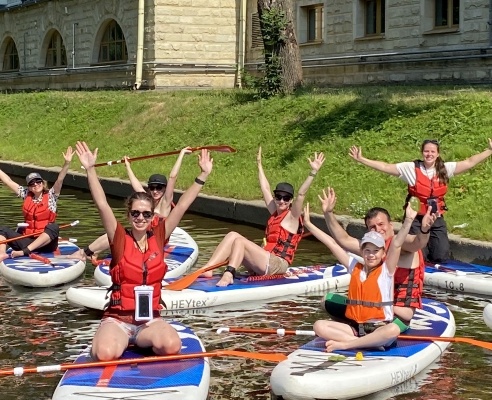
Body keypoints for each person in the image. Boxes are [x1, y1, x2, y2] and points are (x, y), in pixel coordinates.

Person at [77, 140, 213, 362]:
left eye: (146, 214)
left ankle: (141, 341)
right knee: (105, 354)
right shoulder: (119, 238)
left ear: (152, 217)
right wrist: (90, 170)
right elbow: (102, 204)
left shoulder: (159, 237)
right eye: (136, 213)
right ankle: (109, 338)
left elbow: (183, 206)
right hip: (118, 320)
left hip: (149, 321)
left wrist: (202, 176)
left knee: (171, 345)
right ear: (129, 215)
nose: (141, 218)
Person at [348, 134, 492, 264]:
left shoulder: (445, 169)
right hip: (416, 219)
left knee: (441, 255)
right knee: (417, 253)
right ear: (422, 152)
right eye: (426, 151)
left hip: (435, 218)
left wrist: (490, 150)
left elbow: (469, 162)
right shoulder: (410, 169)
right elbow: (385, 167)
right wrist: (362, 159)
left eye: (432, 152)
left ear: (437, 153)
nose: (429, 155)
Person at [300, 198, 431, 352]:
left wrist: (410, 221)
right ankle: (364, 342)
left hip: (382, 325)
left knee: (392, 330)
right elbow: (334, 244)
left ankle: (347, 343)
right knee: (319, 325)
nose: (371, 255)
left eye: (376, 251)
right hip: (359, 326)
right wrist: (309, 224)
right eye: (367, 251)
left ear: (383, 253)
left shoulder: (386, 270)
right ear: (361, 252)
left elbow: (398, 244)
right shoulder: (356, 267)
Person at [188, 149, 324, 287]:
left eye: (286, 198)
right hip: (263, 260)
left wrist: (313, 172)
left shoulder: (292, 217)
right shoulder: (275, 212)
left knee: (240, 241)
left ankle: (229, 274)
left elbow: (301, 194)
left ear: (290, 201)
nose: (282, 201)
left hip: (277, 264)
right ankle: (208, 268)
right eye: (278, 197)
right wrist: (259, 165)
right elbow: (265, 188)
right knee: (232, 235)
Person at [315, 187, 429, 324]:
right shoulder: (372, 248)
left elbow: (417, 242)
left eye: (381, 224)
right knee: (327, 301)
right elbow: (343, 240)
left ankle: (358, 329)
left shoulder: (400, 243)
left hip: (400, 313)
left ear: (391, 225)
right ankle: (356, 328)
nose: (378, 230)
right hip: (378, 309)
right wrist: (328, 213)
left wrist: (425, 229)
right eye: (372, 227)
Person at [81, 148, 188, 260]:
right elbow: (136, 185)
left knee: (118, 234)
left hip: (156, 242)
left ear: (165, 189)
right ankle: (91, 252)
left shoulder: (165, 203)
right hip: (141, 238)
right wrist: (128, 167)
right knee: (114, 232)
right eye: (152, 188)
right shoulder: (147, 202)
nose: (155, 191)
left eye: (159, 188)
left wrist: (181, 154)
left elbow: (172, 177)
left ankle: (87, 252)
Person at [0, 147, 73, 259]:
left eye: (38, 181)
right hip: (28, 241)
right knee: (1, 230)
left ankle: (24, 252)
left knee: (53, 227)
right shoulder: (25, 194)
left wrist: (66, 163)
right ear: (29, 187)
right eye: (32, 183)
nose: (36, 184)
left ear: (43, 184)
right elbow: (7, 181)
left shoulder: (51, 196)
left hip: (46, 243)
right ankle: (1, 253)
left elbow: (60, 180)